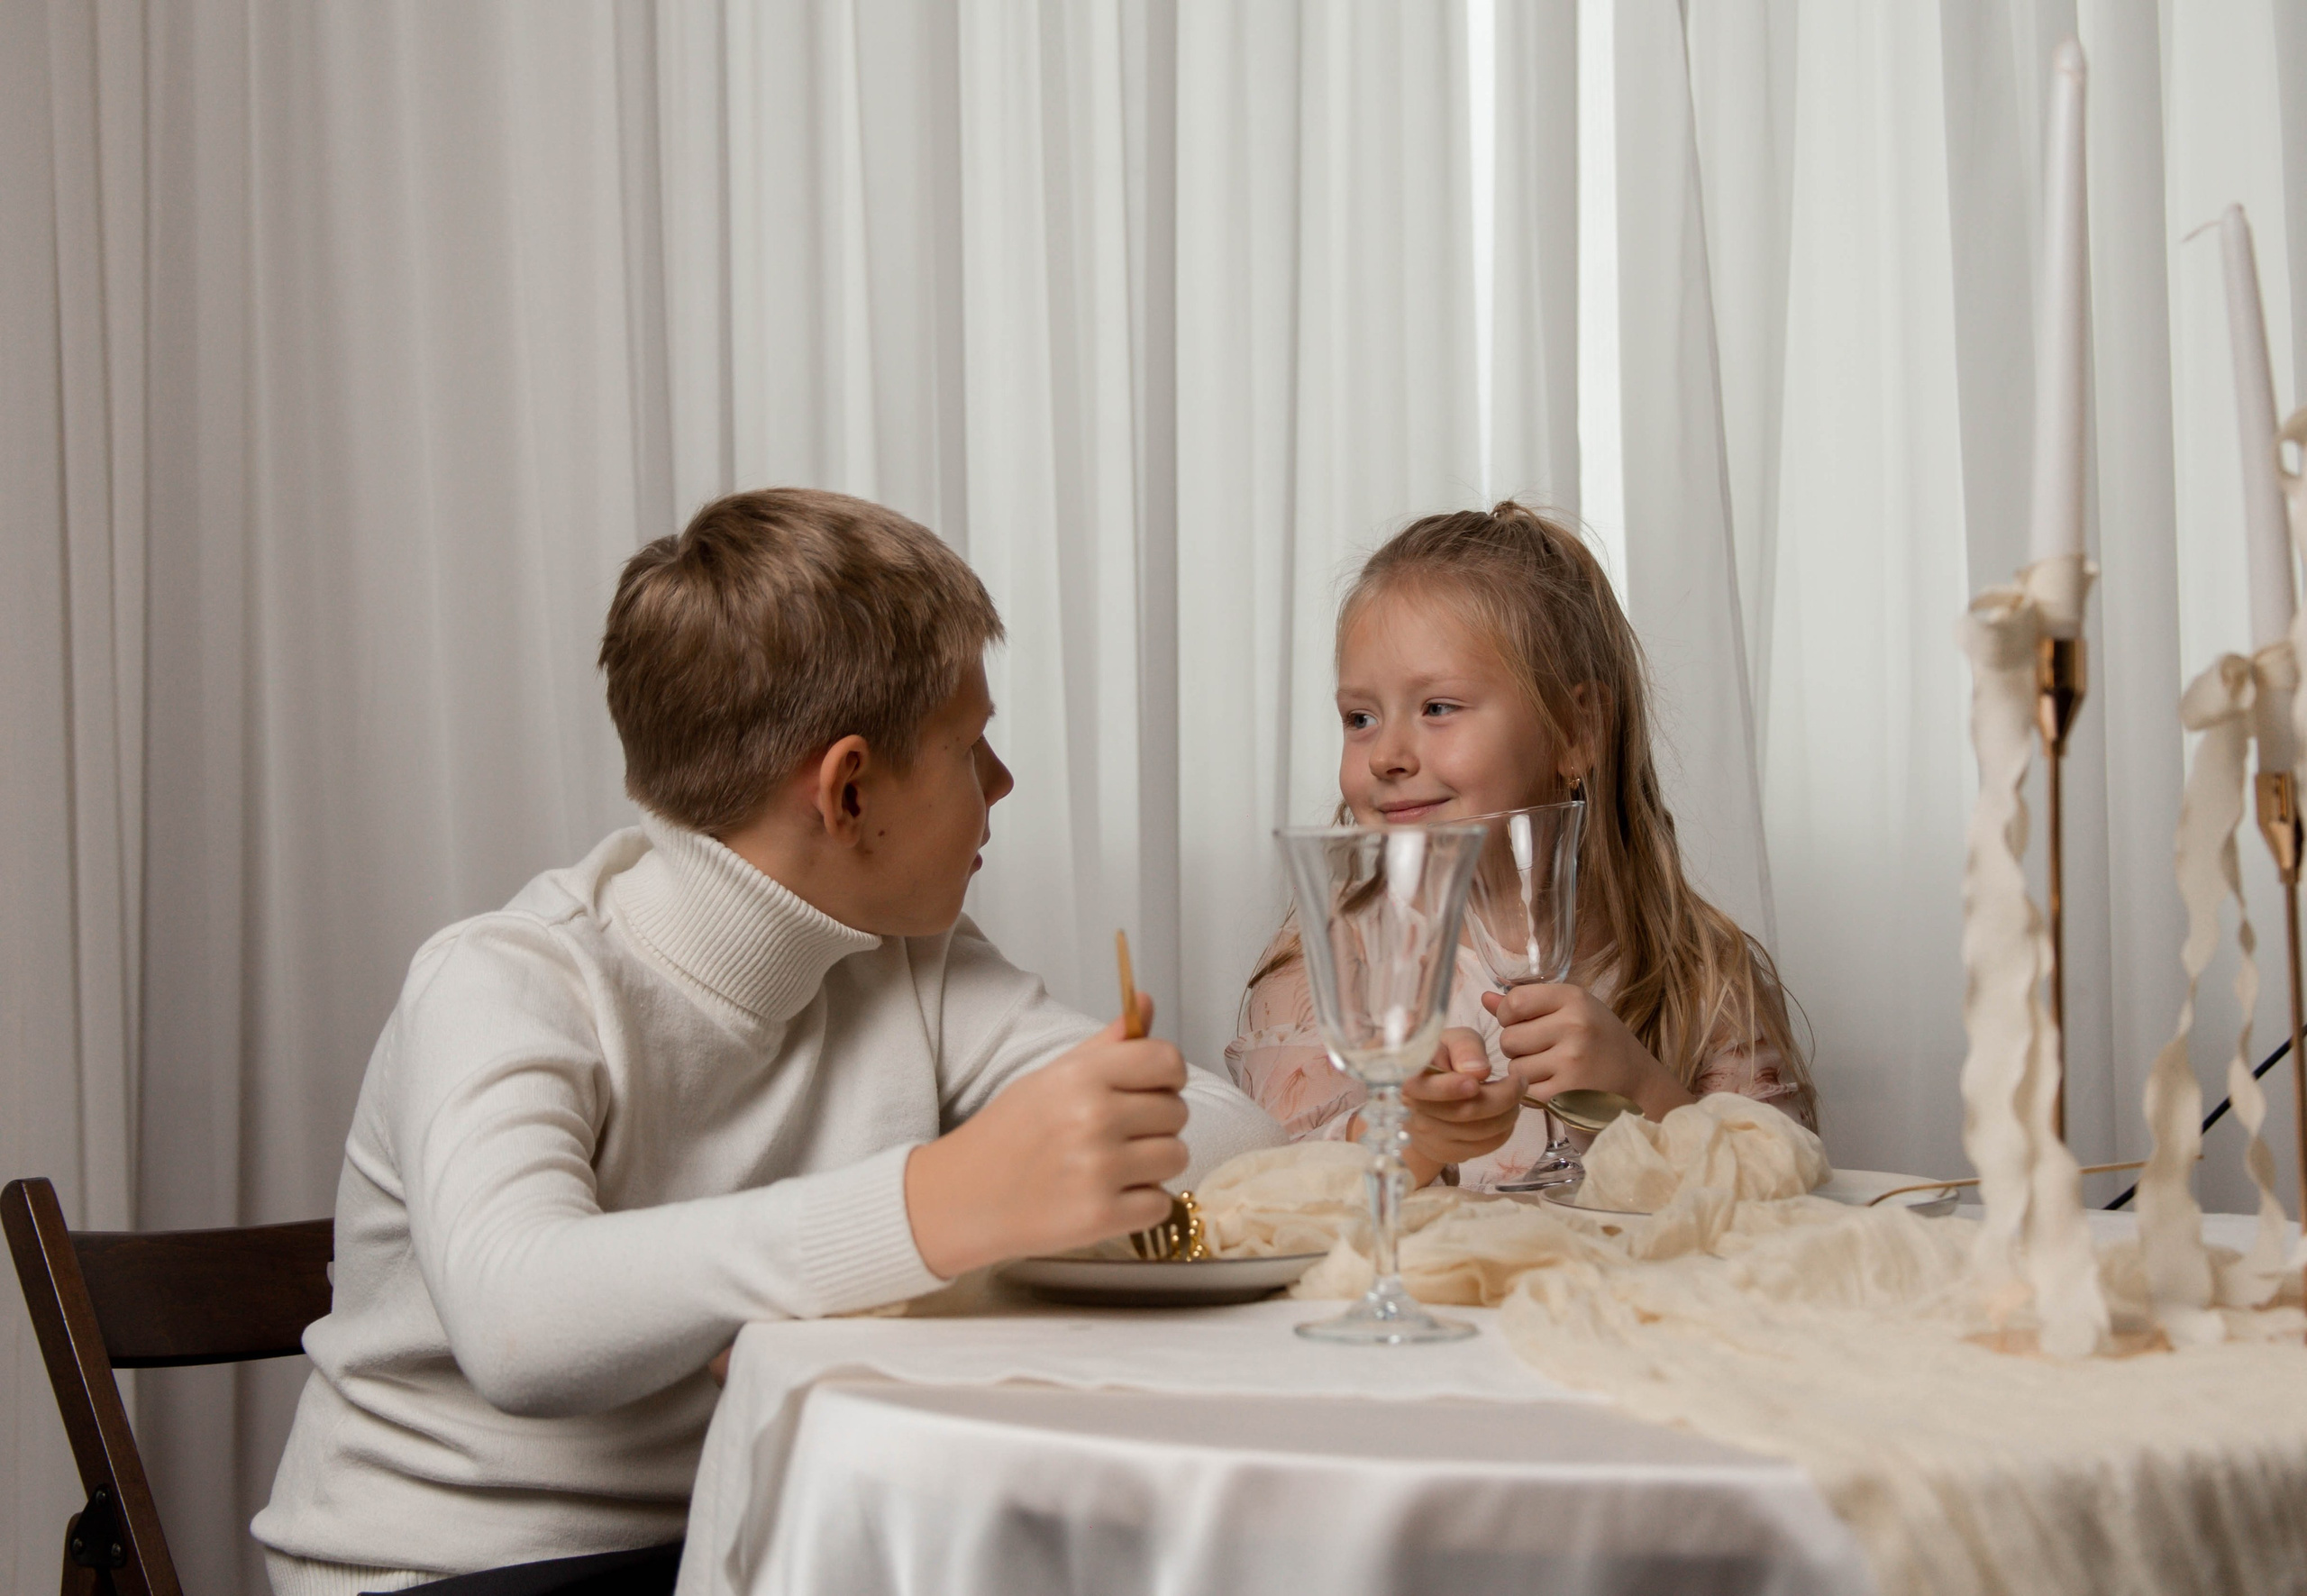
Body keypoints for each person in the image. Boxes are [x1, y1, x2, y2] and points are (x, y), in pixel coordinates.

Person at [254, 488, 1281, 1596]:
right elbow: (519, 1326)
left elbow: (1236, 1133)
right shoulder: (504, 979)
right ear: (846, 790)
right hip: (445, 1573)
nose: (1000, 784)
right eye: (970, 745)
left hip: (756, 1538)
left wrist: (1025, 1180)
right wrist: (932, 1204)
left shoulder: (907, 962)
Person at [1226, 501, 1816, 1192]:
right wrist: (1416, 1139)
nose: (1386, 753)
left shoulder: (1699, 972)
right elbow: (1271, 1197)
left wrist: (1642, 1091)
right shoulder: (1328, 966)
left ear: (1575, 731)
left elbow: (1788, 1194)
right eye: (1360, 717)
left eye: (1437, 708)